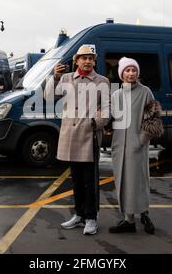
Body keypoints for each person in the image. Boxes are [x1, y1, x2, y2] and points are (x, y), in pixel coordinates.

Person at [45, 44, 110, 235]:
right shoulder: (65, 78)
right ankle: (79, 214)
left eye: (91, 58)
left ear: (94, 61)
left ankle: (91, 218)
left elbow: (106, 107)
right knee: (75, 180)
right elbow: (48, 97)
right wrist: (54, 77)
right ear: (77, 61)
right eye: (84, 58)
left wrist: (96, 122)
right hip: (70, 135)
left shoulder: (102, 81)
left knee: (90, 181)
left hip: (89, 135)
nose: (88, 61)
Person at [109, 57, 156, 234]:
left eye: (133, 70)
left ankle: (144, 214)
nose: (131, 73)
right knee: (123, 181)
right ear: (121, 74)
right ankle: (128, 220)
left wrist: (141, 140)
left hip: (138, 145)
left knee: (140, 180)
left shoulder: (146, 92)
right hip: (120, 146)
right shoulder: (116, 95)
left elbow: (153, 118)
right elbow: (112, 119)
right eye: (127, 70)